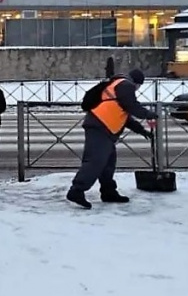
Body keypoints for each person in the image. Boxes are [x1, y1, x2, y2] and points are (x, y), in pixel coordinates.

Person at [67, 68, 158, 210]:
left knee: (108, 163)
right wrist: (149, 114)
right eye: (139, 86)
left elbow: (125, 116)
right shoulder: (125, 85)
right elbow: (132, 106)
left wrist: (141, 131)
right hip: (99, 126)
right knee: (95, 161)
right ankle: (76, 190)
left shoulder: (119, 86)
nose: (138, 89)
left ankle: (108, 192)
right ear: (137, 83)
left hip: (104, 128)